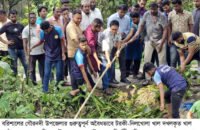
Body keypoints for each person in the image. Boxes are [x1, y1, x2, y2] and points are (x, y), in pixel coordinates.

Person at [31, 21, 66, 92]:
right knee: (46, 73)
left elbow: (62, 41)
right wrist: (33, 46)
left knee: (59, 73)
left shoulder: (57, 29)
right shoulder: (42, 32)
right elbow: (41, 41)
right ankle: (45, 90)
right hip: (48, 55)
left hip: (58, 55)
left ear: (50, 27)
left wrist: (63, 53)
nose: (45, 32)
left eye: (46, 30)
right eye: (44, 31)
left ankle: (57, 89)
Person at [107, 4, 131, 84]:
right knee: (112, 60)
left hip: (122, 40)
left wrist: (125, 33)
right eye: (121, 12)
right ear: (118, 10)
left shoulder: (127, 18)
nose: (122, 14)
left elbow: (128, 29)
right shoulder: (112, 18)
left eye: (124, 12)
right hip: (112, 41)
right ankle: (112, 78)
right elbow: (109, 31)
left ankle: (123, 78)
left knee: (122, 59)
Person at [0, 10, 27, 76]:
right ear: (9, 16)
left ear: (16, 16)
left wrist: (22, 37)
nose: (13, 17)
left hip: (21, 49)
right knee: (14, 66)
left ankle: (28, 80)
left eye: (14, 15)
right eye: (12, 16)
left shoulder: (21, 25)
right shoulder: (6, 25)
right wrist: (6, 42)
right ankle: (15, 82)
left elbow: (25, 36)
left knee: (26, 65)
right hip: (12, 49)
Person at [97, 20, 122, 94]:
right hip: (102, 52)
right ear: (110, 28)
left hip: (110, 50)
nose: (114, 31)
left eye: (116, 29)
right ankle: (105, 87)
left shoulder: (118, 31)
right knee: (105, 67)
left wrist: (118, 50)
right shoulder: (106, 34)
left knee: (111, 67)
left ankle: (110, 82)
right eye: (113, 29)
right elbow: (105, 50)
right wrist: (108, 61)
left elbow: (118, 41)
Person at [168, 0, 194, 68]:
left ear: (181, 5)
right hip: (174, 41)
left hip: (184, 41)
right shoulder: (171, 14)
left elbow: (191, 27)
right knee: (173, 59)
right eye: (174, 6)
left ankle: (181, 75)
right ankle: (172, 76)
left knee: (183, 60)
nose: (175, 8)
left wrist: (190, 40)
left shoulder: (189, 14)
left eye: (176, 6)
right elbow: (169, 27)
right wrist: (169, 37)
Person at [22, 12, 45, 85]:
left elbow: (43, 37)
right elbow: (24, 42)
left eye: (34, 17)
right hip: (32, 53)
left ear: (36, 18)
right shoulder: (26, 29)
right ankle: (34, 84)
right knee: (32, 70)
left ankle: (44, 83)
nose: (32, 19)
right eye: (31, 17)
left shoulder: (39, 26)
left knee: (43, 68)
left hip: (42, 51)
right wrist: (26, 54)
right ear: (28, 18)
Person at [123, 12, 143, 78]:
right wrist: (124, 41)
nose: (133, 21)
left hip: (140, 41)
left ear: (138, 18)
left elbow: (136, 35)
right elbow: (131, 34)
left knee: (137, 57)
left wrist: (127, 42)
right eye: (132, 19)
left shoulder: (142, 23)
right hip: (133, 41)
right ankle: (127, 72)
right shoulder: (133, 23)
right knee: (128, 56)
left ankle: (135, 73)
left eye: (134, 19)